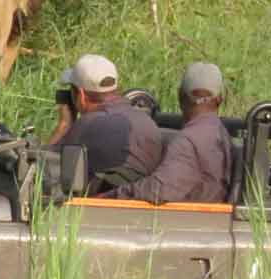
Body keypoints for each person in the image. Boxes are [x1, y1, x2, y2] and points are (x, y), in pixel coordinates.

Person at [106, 62, 233, 204]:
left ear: (180, 96)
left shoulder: (188, 141)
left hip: (187, 219)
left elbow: (159, 190)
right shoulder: (221, 133)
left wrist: (112, 195)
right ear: (220, 99)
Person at [47, 54, 162, 190]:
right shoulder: (146, 121)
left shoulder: (87, 125)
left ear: (82, 95)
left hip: (105, 204)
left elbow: (43, 164)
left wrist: (64, 125)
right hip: (141, 201)